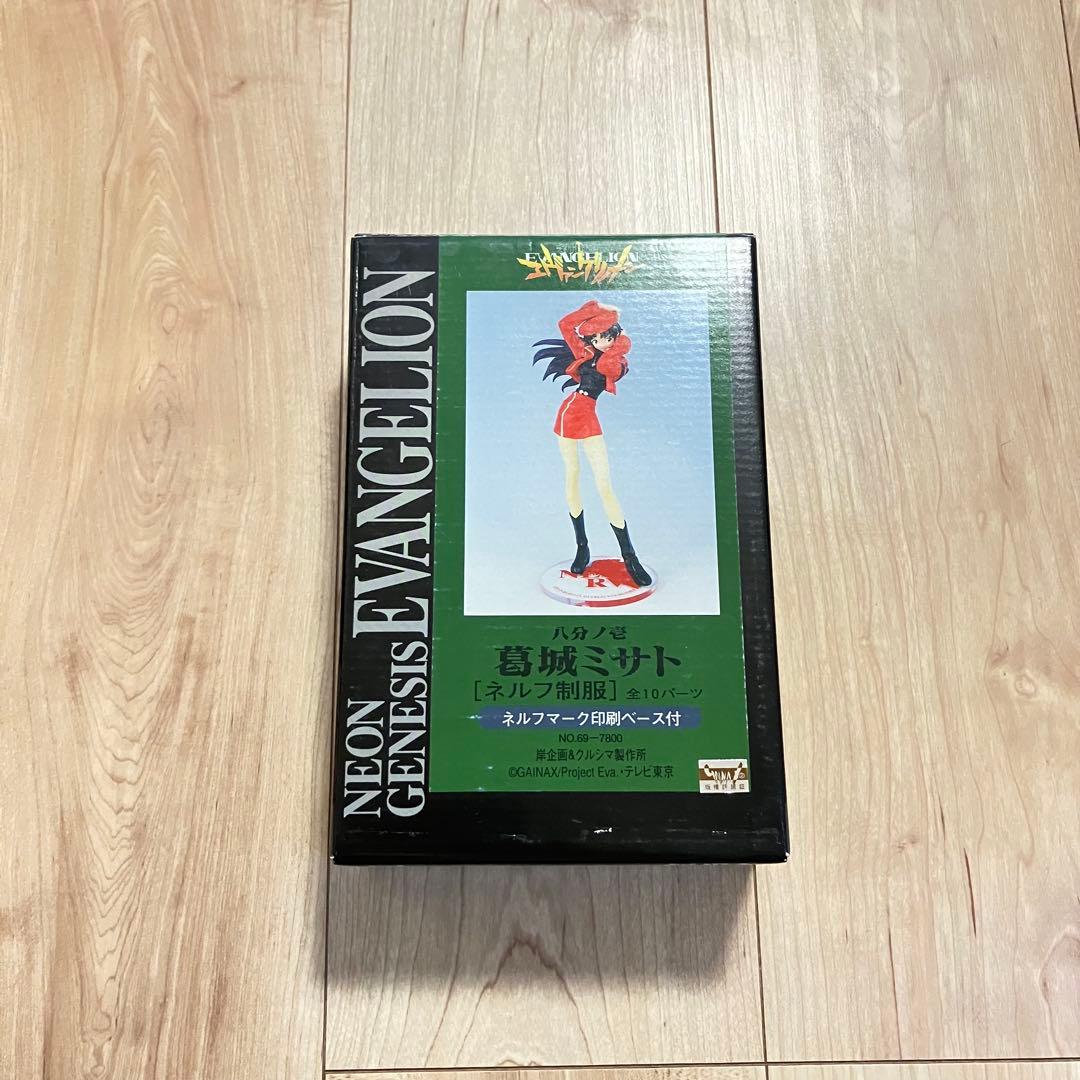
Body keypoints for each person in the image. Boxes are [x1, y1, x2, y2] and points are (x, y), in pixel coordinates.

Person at [532, 299, 651, 587]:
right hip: (568, 414)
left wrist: (617, 338)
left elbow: (612, 364)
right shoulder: (584, 352)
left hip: (589, 417)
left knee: (604, 484)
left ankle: (629, 555)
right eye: (595, 338)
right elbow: (565, 325)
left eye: (605, 336)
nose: (600, 342)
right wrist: (593, 310)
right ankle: (582, 546)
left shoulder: (615, 360)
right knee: (572, 477)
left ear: (614, 335)